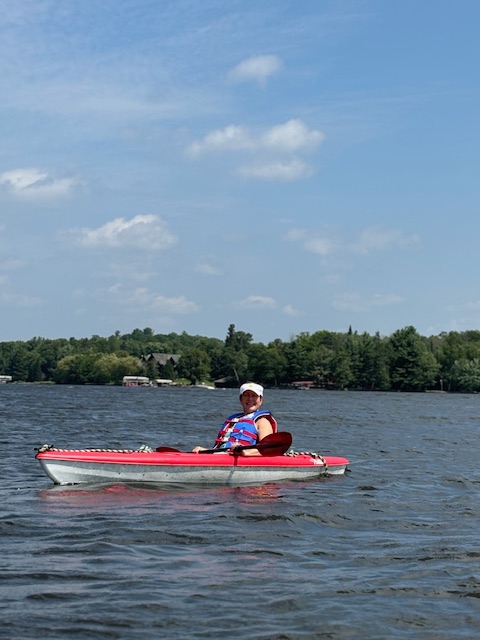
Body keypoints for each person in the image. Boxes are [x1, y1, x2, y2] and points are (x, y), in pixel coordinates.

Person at [192, 382, 277, 456]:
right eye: (246, 395)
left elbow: (267, 449)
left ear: (261, 400)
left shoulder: (262, 421)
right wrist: (206, 451)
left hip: (241, 458)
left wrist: (246, 452)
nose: (250, 399)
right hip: (223, 455)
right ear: (241, 399)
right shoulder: (234, 419)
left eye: (254, 396)